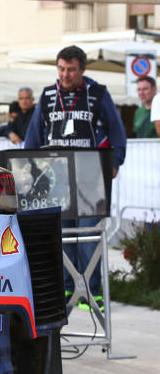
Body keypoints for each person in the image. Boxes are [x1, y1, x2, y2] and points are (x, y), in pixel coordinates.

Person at [24, 45, 127, 308]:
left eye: (71, 70)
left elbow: (116, 131)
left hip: (91, 176)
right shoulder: (48, 94)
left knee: (89, 234)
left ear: (82, 69)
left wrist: (115, 162)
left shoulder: (98, 93)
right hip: (56, 177)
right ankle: (68, 288)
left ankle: (93, 292)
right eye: (61, 69)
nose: (65, 75)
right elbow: (33, 137)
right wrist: (30, 167)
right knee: (62, 234)